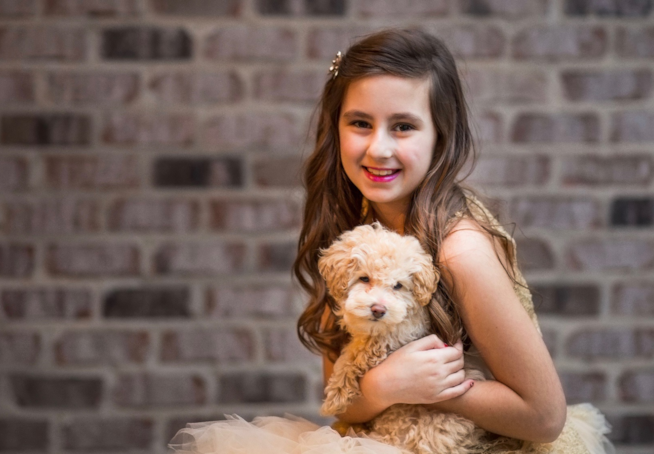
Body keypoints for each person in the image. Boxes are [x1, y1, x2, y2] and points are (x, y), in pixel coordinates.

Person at [169, 29, 613, 454]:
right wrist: (384, 385)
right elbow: (339, 395)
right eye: (360, 122)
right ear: (335, 127)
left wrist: (435, 390)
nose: (378, 148)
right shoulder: (358, 230)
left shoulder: (461, 252)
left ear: (440, 135)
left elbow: (544, 416)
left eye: (403, 127)